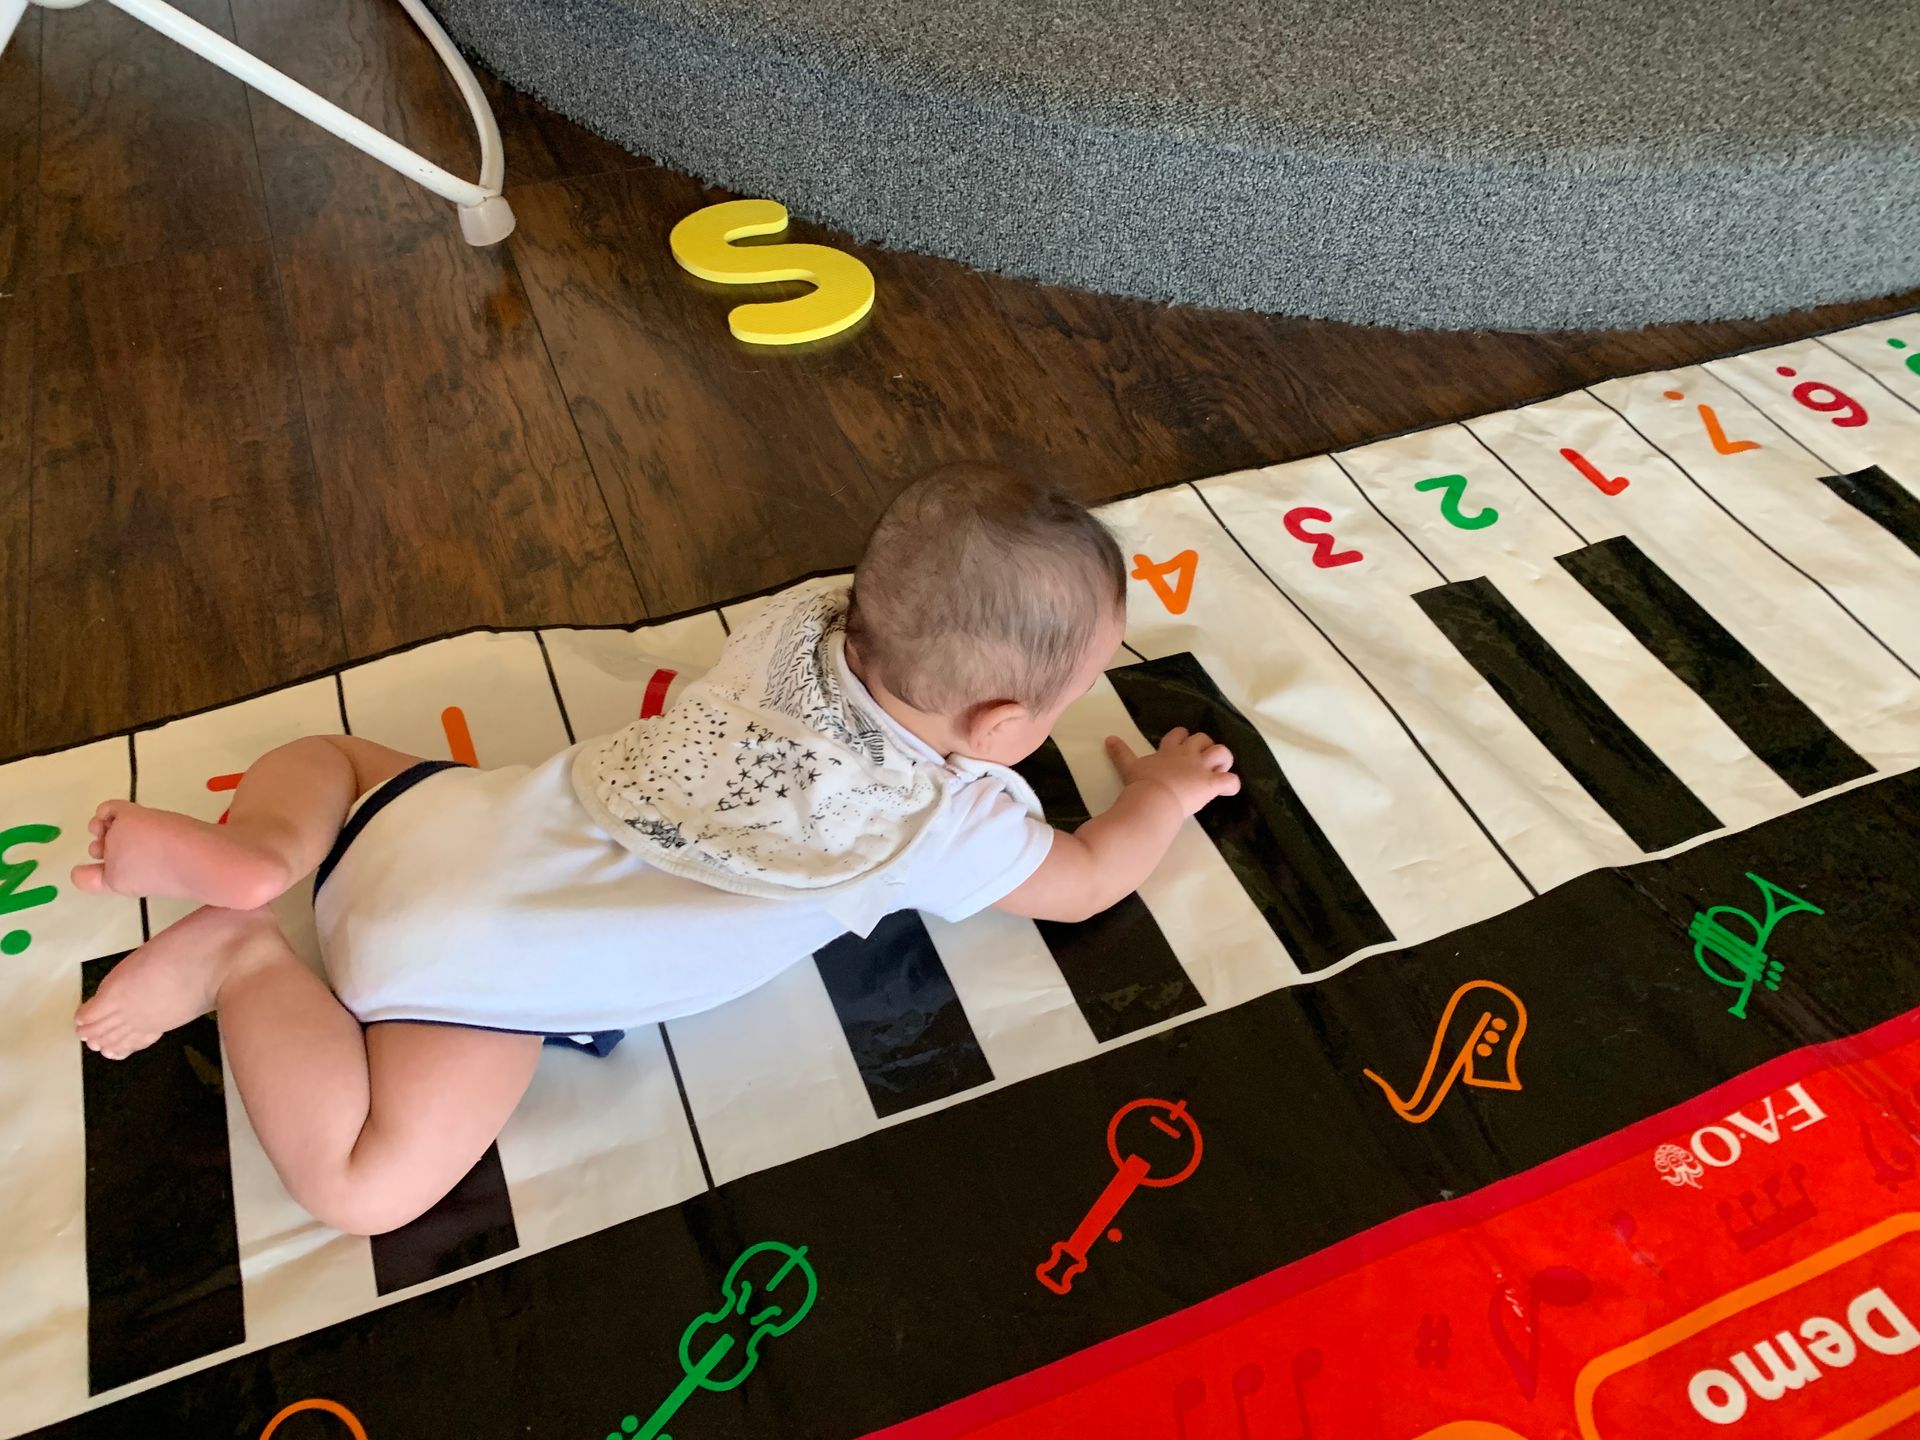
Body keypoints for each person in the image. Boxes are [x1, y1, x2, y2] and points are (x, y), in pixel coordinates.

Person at [71, 464, 1240, 1234]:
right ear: (999, 732)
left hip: (443, 821)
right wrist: (1167, 796)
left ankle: (269, 855)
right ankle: (244, 963)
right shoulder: (937, 826)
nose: (1090, 696)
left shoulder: (804, 627)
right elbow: (1085, 885)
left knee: (335, 752)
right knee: (366, 1191)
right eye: (1084, 685)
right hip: (468, 979)